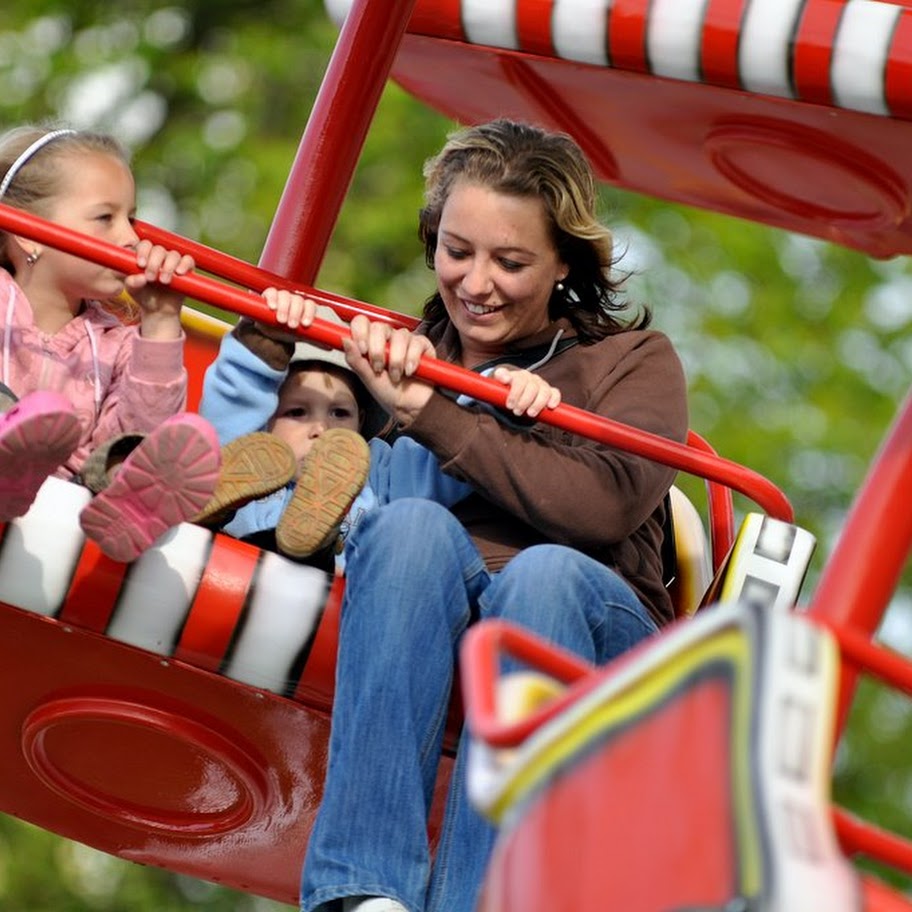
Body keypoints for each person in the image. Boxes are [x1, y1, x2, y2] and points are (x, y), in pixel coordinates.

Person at [298, 119, 689, 912]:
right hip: (432, 595)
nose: (476, 283)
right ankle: (361, 891)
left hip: (588, 615)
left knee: (541, 578)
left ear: (563, 265)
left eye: (511, 262)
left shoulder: (628, 364)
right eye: (457, 250)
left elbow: (602, 510)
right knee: (406, 530)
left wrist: (434, 415)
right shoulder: (400, 356)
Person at [198, 289, 560, 565]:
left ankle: (318, 539)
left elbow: (441, 465)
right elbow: (234, 403)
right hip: (233, 558)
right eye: (297, 413)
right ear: (267, 416)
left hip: (326, 584)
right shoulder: (250, 445)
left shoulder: (377, 471)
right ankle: (206, 509)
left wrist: (496, 397)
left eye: (340, 414)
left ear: (362, 422)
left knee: (338, 543)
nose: (321, 429)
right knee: (221, 458)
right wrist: (263, 341)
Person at [0, 124, 221, 561]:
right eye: (106, 218)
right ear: (27, 232)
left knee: (140, 448)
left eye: (131, 219)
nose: (132, 239)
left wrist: (159, 320)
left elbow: (136, 429)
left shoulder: (117, 341)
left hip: (69, 495)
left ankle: (127, 514)